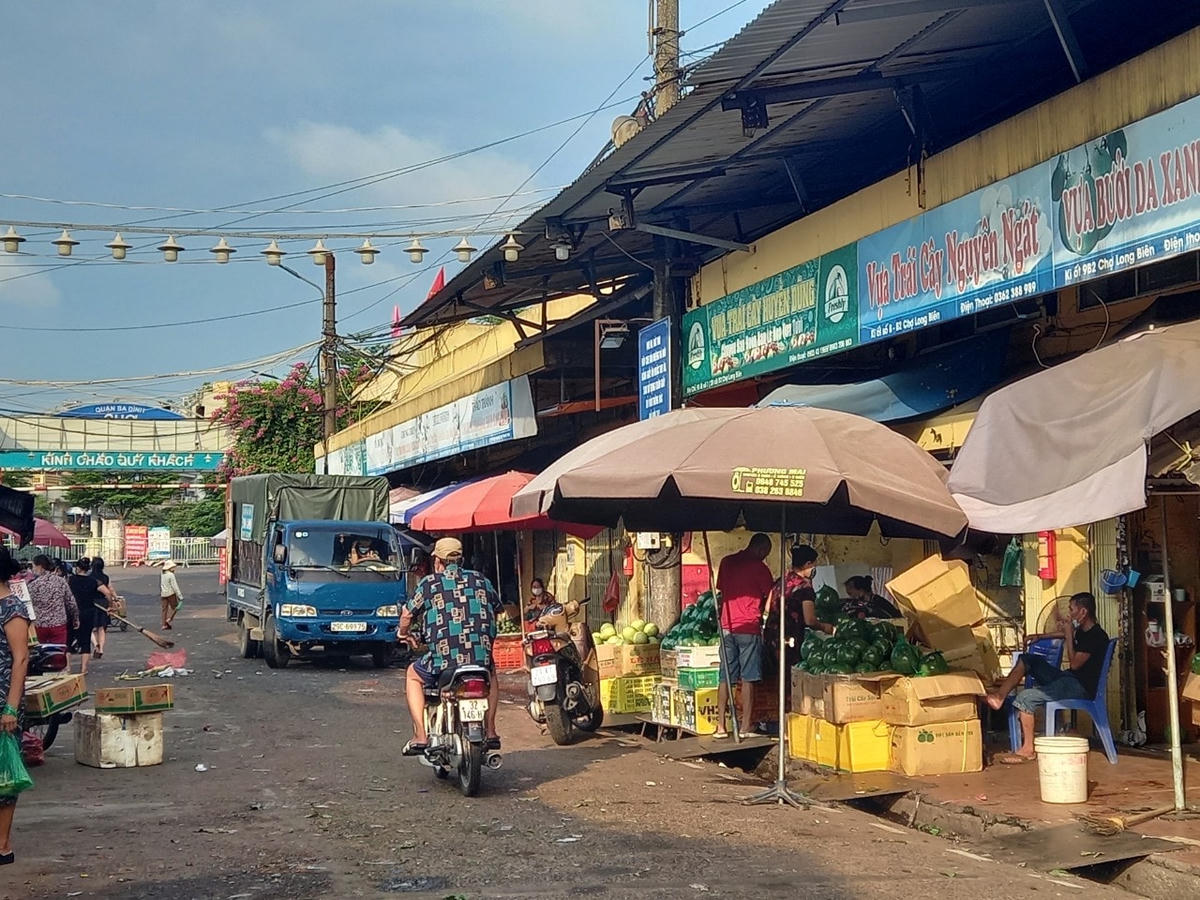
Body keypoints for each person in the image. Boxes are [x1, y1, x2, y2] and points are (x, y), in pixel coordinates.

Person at [397, 538, 509, 755]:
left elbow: (407, 614)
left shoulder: (429, 584)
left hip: (444, 660)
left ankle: (420, 735)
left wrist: (403, 633)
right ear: (461, 559)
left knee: (412, 674)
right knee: (491, 673)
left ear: (438, 561)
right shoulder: (481, 580)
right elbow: (498, 608)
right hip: (479, 658)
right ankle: (492, 731)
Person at [987, 592, 1110, 763]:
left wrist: (1068, 636)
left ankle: (1028, 749)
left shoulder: (1096, 636)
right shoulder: (1083, 631)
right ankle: (1000, 696)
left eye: (1072, 609)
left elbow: (1074, 664)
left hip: (1079, 687)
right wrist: (1040, 637)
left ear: (1083, 612)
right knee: (1028, 660)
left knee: (1026, 697)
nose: (1069, 614)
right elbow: (1064, 635)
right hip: (1068, 678)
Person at [714, 533, 774, 739]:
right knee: (748, 678)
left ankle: (720, 726)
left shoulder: (726, 562)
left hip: (726, 626)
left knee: (725, 677)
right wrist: (766, 614)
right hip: (748, 628)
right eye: (765, 553)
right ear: (761, 549)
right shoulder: (760, 568)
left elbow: (721, 591)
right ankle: (746, 726)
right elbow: (771, 595)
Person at [0, 545, 31, 866]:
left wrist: (10, 707)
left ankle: (3, 845)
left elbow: (21, 658)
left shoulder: (12, 609)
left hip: (3, 702)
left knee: (4, 775)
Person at [764, 545, 823, 681]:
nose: (814, 568)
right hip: (790, 639)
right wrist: (826, 627)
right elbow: (810, 620)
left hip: (772, 636)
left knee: (779, 678)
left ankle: (781, 701)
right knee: (793, 678)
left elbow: (767, 608)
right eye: (814, 565)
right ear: (808, 564)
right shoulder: (804, 587)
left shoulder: (781, 581)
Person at [67, 559, 113, 674]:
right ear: (88, 568)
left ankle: (67, 668)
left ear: (77, 568)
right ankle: (83, 669)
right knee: (85, 642)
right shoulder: (93, 581)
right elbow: (108, 593)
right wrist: (110, 606)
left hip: (72, 612)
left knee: (68, 641)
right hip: (88, 612)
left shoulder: (70, 580)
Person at [26, 554, 79, 647]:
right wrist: (75, 618)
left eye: (33, 566)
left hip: (40, 625)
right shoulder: (61, 581)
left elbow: (27, 605)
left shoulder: (32, 585)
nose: (33, 569)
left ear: (40, 566)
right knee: (58, 652)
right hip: (58, 623)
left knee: (42, 653)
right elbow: (71, 602)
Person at [89, 557, 113, 659]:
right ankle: (101, 648)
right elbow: (109, 591)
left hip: (92, 603)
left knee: (91, 628)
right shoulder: (105, 577)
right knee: (102, 628)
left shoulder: (89, 577)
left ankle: (95, 644)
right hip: (103, 603)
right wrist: (111, 604)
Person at [160, 560, 183, 630]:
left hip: (163, 594)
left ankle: (164, 624)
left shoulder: (162, 574)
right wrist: (180, 596)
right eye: (173, 567)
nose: (174, 568)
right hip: (171, 593)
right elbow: (175, 586)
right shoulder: (171, 575)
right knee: (175, 607)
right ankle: (169, 618)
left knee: (164, 609)